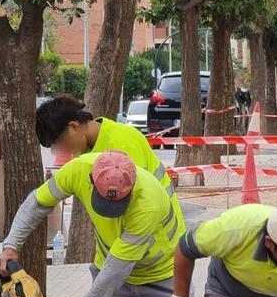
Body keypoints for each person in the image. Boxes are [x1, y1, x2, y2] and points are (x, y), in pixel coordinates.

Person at [0, 150, 192, 297]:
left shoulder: (148, 201)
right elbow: (38, 203)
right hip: (116, 281)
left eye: (118, 205)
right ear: (91, 179)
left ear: (132, 187)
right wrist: (11, 246)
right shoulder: (78, 169)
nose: (110, 212)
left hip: (164, 276)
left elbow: (116, 270)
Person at [35, 95, 183, 227]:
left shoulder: (123, 142)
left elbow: (137, 210)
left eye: (60, 143)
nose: (62, 151)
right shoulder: (87, 152)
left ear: (73, 126)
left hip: (157, 239)